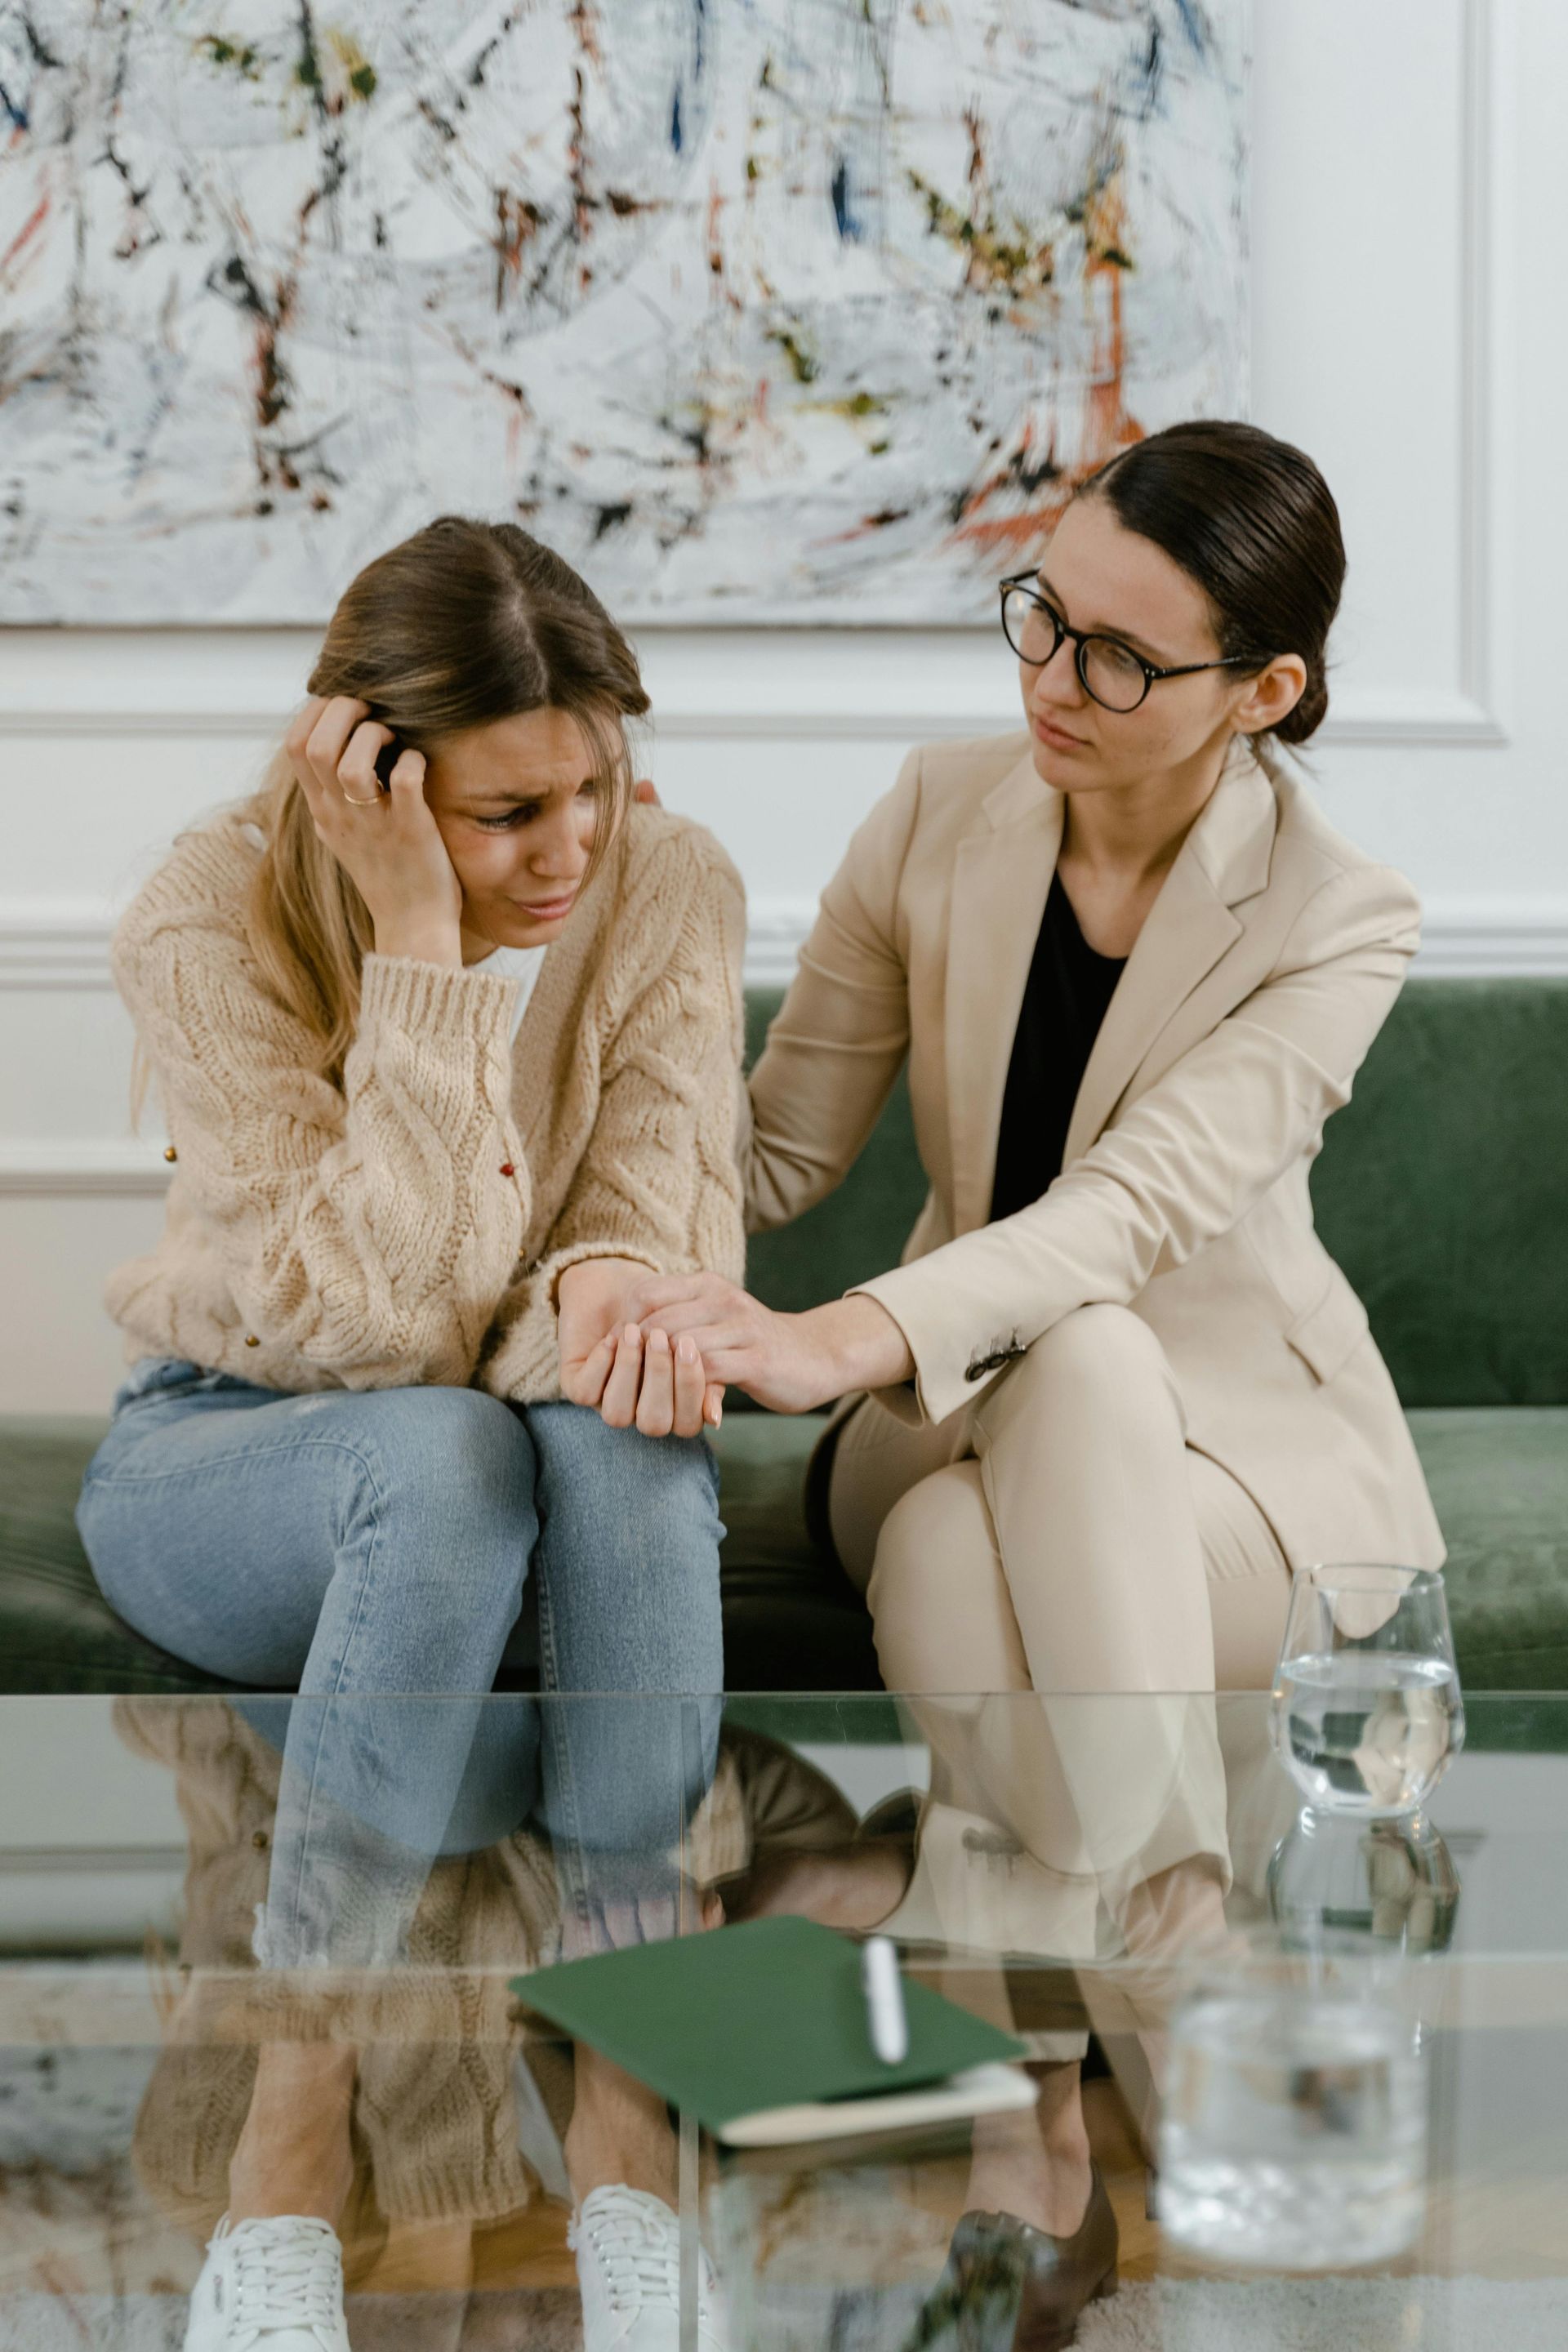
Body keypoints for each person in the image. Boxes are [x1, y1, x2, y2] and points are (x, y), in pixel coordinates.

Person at [589, 421, 1446, 2346]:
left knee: (1042, 1431)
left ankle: (1029, 2096)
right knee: (1018, 1434)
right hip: (953, 1424)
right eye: (1042, 621)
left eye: (1125, 659)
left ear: (1269, 690)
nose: (1055, 683)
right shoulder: (934, 810)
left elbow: (1133, 1212)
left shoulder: (1339, 911)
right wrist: (615, 956)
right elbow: (774, 1153)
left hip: (1235, 1474)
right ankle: (1182, 1953)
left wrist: (839, 1341)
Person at [74, 517, 742, 2352]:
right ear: (364, 774)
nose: (573, 847)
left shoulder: (673, 882)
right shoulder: (206, 916)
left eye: (594, 784)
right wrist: (423, 953)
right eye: (507, 811)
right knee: (452, 1448)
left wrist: (604, 1282)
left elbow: (657, 1215)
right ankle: (292, 2140)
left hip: (499, 1464)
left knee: (618, 1443)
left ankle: (626, 2129)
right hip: (238, 1454)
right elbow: (365, 1332)